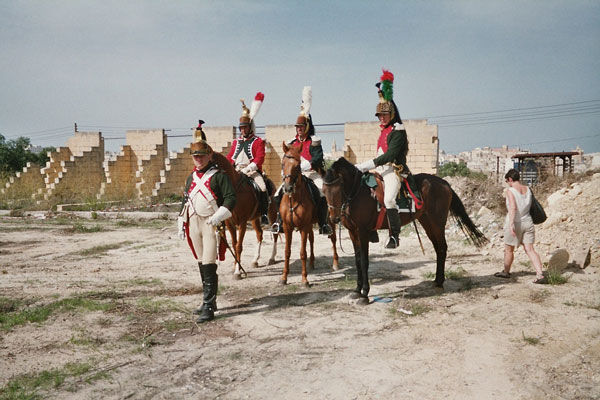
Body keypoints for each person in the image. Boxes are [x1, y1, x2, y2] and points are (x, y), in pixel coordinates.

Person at [178, 133, 236, 323]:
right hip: (194, 223)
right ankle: (207, 301)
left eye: (201, 156)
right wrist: (181, 220)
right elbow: (186, 200)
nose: (198, 159)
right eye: (195, 156)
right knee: (202, 262)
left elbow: (230, 199)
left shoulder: (219, 176)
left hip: (211, 223)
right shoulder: (190, 177)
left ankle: (210, 305)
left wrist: (219, 215)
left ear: (209, 156)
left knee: (209, 262)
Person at [356, 69, 409, 249]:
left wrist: (367, 164)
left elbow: (389, 156)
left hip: (394, 170)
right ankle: (371, 227)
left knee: (388, 200)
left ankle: (394, 235)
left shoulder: (398, 131)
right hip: (380, 169)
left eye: (384, 115)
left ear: (391, 114)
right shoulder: (384, 130)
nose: (381, 118)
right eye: (379, 115)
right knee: (365, 192)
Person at [271, 86, 332, 236]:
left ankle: (323, 223)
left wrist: (307, 164)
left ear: (307, 126)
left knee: (322, 193)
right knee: (278, 194)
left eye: (301, 126)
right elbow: (287, 158)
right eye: (297, 126)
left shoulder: (314, 141)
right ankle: (279, 221)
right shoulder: (292, 142)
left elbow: (318, 158)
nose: (299, 129)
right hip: (294, 175)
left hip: (312, 174)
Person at [494, 168, 546, 284]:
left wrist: (511, 223)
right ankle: (540, 274)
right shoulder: (528, 189)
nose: (507, 183)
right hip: (528, 222)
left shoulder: (510, 191)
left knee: (509, 250)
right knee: (530, 249)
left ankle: (506, 272)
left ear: (510, 179)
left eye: (507, 181)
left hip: (515, 222)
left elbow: (513, 207)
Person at [226, 92, 269, 226]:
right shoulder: (236, 142)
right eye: (241, 128)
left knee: (262, 188)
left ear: (250, 127)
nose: (243, 130)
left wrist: (250, 168)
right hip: (236, 171)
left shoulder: (258, 141)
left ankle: (264, 214)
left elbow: (260, 158)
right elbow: (230, 158)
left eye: (245, 127)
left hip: (251, 172)